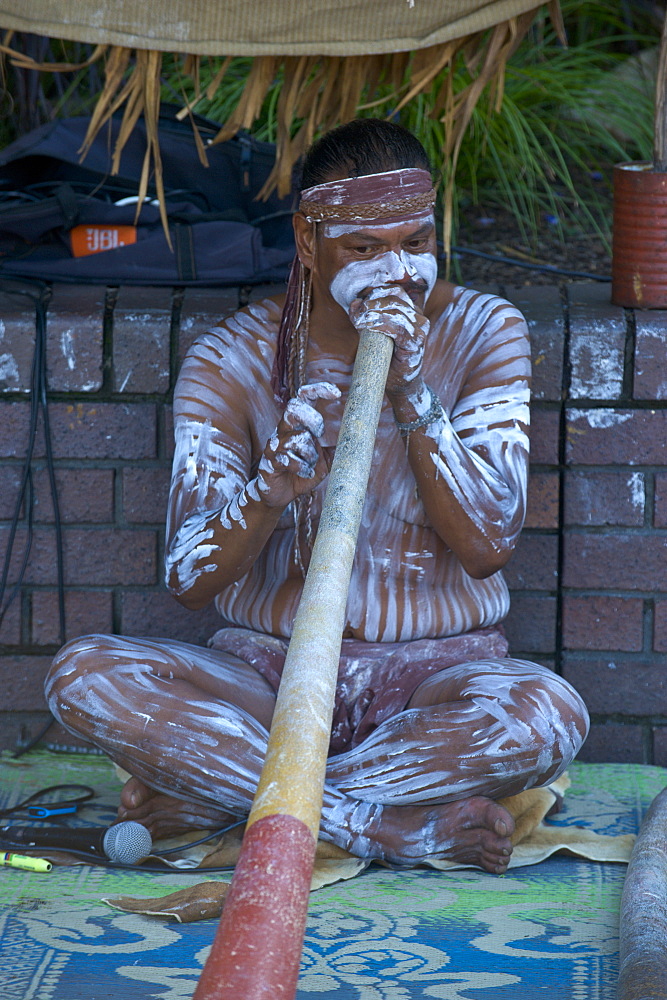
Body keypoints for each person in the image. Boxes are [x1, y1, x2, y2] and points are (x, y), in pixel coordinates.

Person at [46, 119, 589, 875]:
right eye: (363, 250)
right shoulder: (231, 359)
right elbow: (189, 578)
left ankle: (229, 795)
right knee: (83, 675)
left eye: (415, 244)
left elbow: (487, 542)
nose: (395, 274)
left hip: (432, 683)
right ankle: (384, 829)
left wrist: (410, 390)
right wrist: (266, 493)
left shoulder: (481, 330)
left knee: (547, 715)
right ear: (308, 243)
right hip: (265, 681)